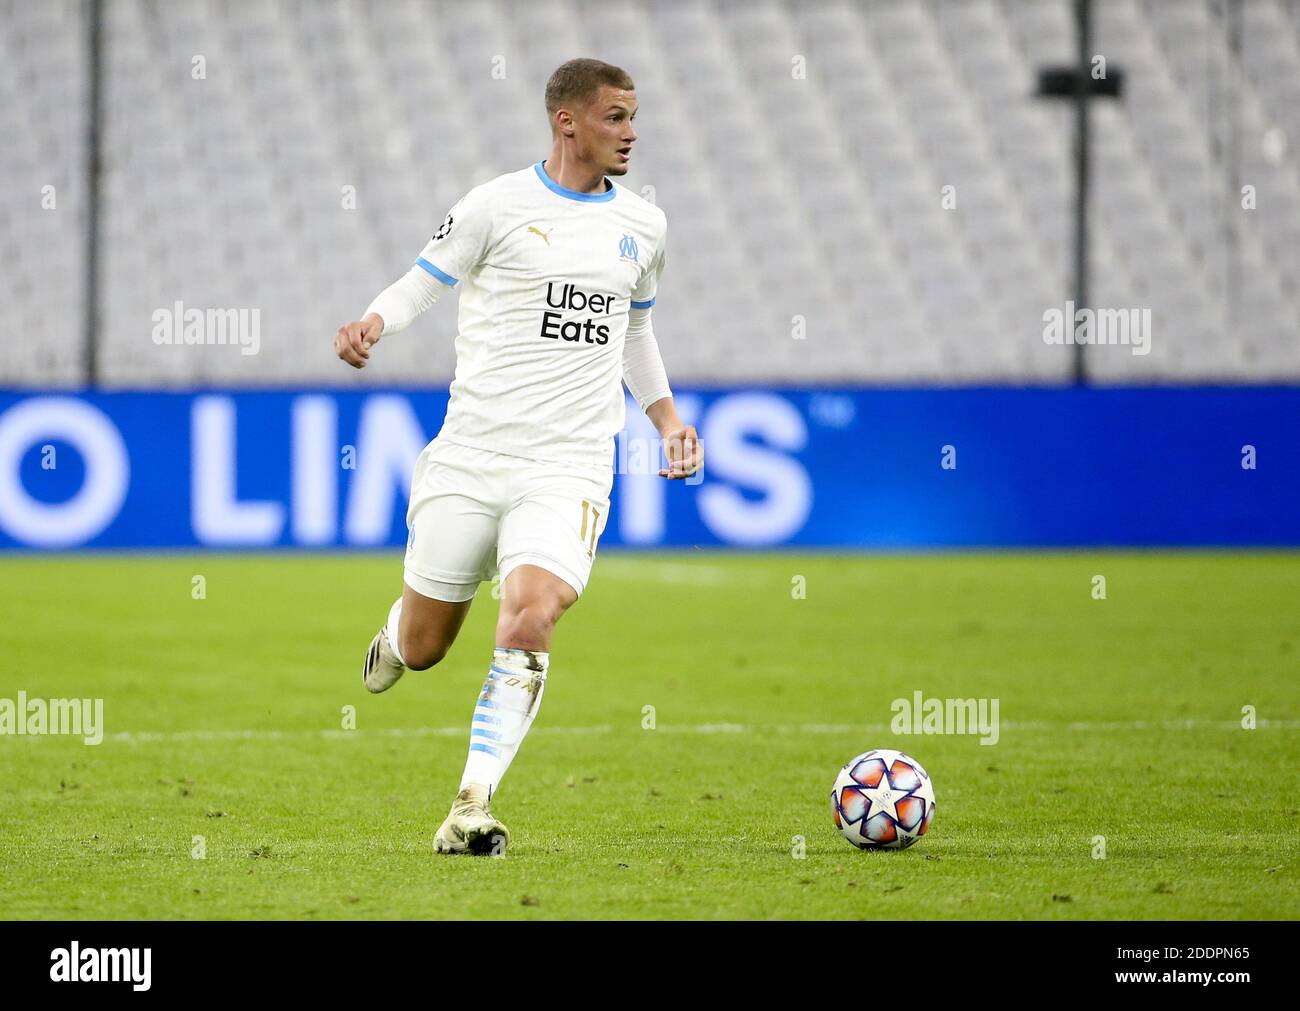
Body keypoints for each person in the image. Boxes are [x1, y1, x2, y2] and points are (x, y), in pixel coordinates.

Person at [333, 58, 703, 855]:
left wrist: (666, 419)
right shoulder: (495, 206)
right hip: (471, 454)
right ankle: (397, 635)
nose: (631, 132)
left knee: (532, 611)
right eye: (614, 116)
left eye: (635, 116)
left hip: (568, 462)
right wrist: (372, 322)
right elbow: (422, 282)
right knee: (429, 646)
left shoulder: (645, 227)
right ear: (567, 121)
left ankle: (471, 804)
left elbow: (633, 329)